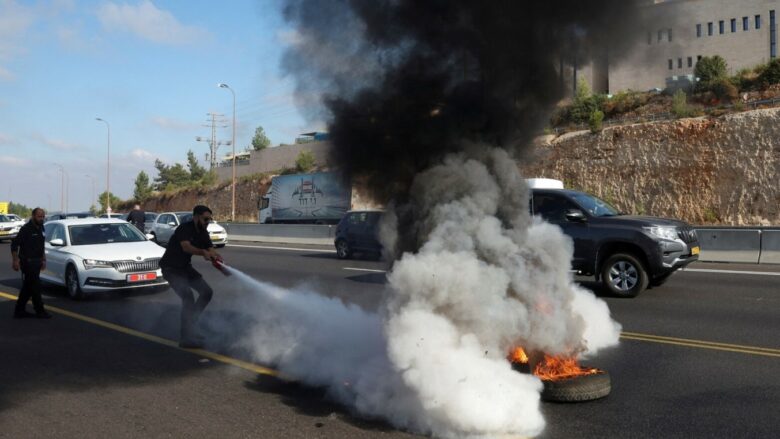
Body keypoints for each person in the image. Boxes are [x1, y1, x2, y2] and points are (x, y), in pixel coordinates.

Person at [159, 205, 220, 348]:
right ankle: (185, 338)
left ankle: (191, 324)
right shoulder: (184, 229)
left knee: (207, 292)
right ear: (196, 217)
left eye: (210, 219)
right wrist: (203, 253)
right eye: (205, 219)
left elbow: (210, 248)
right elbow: (186, 247)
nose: (207, 222)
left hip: (185, 268)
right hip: (171, 268)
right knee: (188, 298)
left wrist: (216, 258)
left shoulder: (203, 232)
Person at [11, 208, 52, 319]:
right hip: (27, 263)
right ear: (33, 216)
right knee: (36, 287)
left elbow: (41, 245)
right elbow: (14, 245)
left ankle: (19, 310)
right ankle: (40, 311)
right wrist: (15, 260)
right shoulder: (26, 229)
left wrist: (43, 259)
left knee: (28, 287)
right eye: (39, 216)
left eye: (43, 216)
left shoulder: (41, 228)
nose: (42, 218)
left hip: (37, 262)